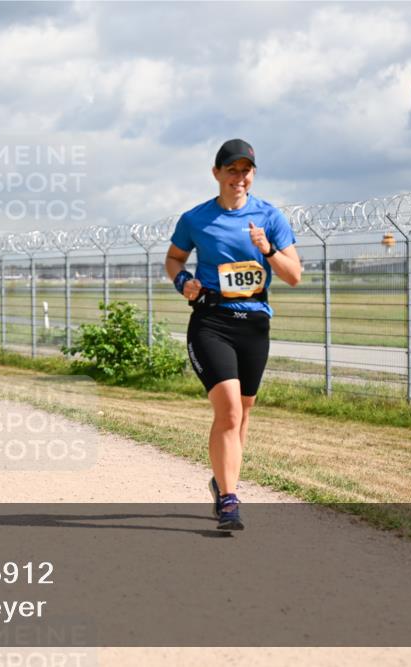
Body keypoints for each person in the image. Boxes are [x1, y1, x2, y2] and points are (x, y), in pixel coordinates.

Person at [164, 139, 302, 531]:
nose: (239, 177)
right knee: (229, 410)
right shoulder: (195, 219)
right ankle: (229, 499)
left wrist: (269, 249)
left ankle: (222, 480)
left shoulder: (270, 217)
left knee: (243, 414)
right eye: (232, 170)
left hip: (255, 324)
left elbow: (294, 276)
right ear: (216, 173)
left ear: (253, 174)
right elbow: (174, 259)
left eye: (246, 171)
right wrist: (183, 281)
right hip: (212, 321)